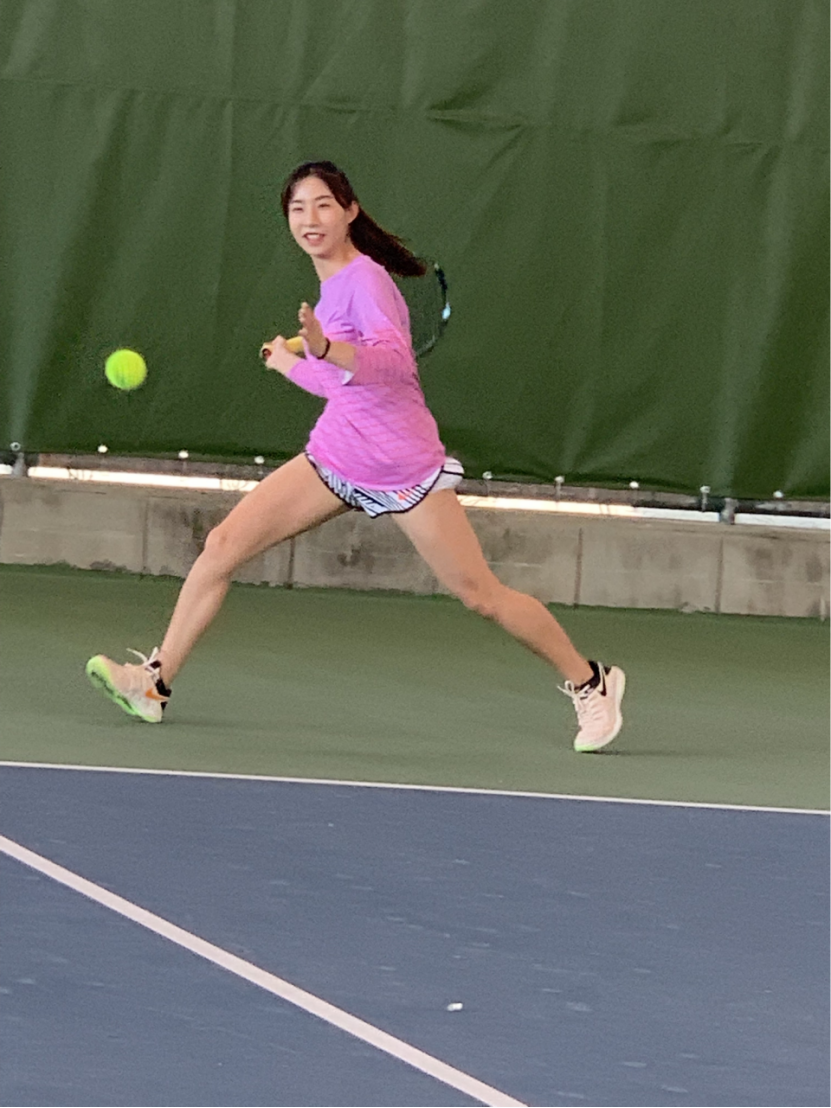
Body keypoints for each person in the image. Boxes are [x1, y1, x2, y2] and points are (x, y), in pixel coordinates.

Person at [86, 160, 625, 753]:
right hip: (337, 456)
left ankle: (591, 682)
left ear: (349, 211)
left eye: (323, 205)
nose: (310, 219)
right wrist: (293, 362)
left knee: (480, 595)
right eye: (297, 209)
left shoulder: (366, 281)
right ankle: (155, 683)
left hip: (403, 468)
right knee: (222, 546)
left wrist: (324, 349)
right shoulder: (330, 291)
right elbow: (342, 388)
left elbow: (392, 367)